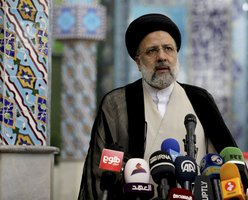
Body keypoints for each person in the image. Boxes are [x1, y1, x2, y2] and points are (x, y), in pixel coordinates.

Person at [78, 13, 238, 200]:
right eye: (152, 51)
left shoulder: (200, 99)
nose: (162, 57)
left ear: (176, 54)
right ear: (138, 61)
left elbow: (223, 164)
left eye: (168, 49)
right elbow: (99, 174)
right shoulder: (116, 103)